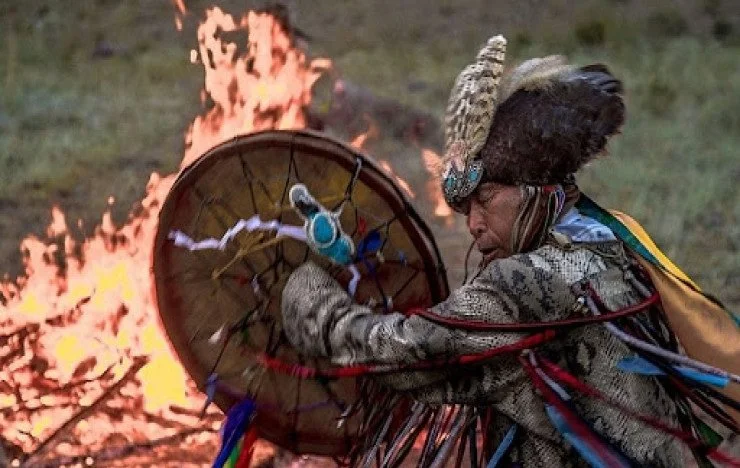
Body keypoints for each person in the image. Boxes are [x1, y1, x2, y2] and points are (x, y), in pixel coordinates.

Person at [280, 35, 739, 467]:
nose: (474, 224)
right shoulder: (609, 237)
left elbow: (408, 352)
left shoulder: (529, 283)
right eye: (465, 208)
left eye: (486, 200)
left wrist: (310, 303)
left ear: (537, 190)